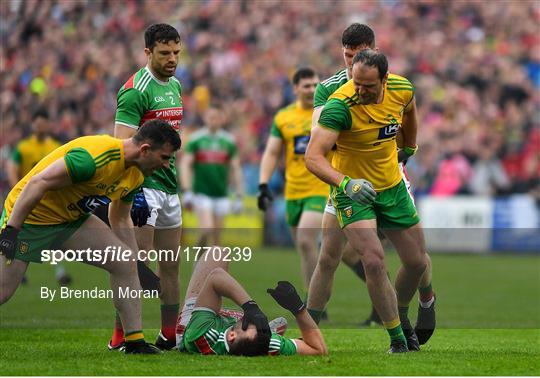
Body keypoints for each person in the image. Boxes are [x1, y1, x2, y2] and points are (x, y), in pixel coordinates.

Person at [0, 119, 181, 354]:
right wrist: (11, 231)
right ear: (145, 150)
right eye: (165, 157)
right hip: (31, 220)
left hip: (71, 220)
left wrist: (138, 264)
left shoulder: (136, 175)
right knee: (3, 292)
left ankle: (134, 342)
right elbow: (37, 183)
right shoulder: (93, 158)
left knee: (124, 263)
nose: (167, 165)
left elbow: (120, 218)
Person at [306, 24, 436, 344]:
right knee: (334, 256)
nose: (350, 69)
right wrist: (346, 181)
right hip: (345, 178)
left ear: (373, 51)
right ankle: (311, 329)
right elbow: (319, 145)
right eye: (346, 58)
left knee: (417, 257)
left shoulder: (400, 88)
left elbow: (409, 111)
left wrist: (409, 146)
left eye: (356, 57)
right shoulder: (333, 93)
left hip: (389, 174)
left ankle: (425, 299)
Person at [111, 23, 184, 351]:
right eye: (165, 53)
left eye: (176, 52)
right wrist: (134, 190)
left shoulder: (176, 86)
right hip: (143, 187)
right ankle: (122, 336)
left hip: (169, 187)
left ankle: (169, 335)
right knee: (134, 265)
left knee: (170, 264)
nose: (172, 59)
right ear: (147, 53)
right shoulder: (136, 89)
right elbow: (121, 145)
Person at [175, 248, 327, 356]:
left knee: (217, 252)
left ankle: (168, 336)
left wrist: (251, 307)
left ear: (232, 336)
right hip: (230, 326)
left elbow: (216, 276)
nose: (260, 325)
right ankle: (274, 330)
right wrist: (298, 308)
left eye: (252, 325)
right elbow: (319, 349)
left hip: (189, 326)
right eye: (264, 330)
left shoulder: (202, 334)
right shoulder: (266, 342)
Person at [257, 67, 327, 298]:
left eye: (316, 84)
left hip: (320, 188)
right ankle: (313, 295)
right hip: (293, 191)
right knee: (304, 248)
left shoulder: (327, 112)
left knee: (307, 241)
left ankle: (314, 301)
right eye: (307, 85)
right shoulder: (284, 117)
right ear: (296, 88)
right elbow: (271, 152)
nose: (312, 89)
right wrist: (264, 185)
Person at [7, 108, 72, 286]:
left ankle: (59, 272)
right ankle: (17, 272)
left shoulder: (55, 147)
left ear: (48, 125)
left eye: (43, 123)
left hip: (47, 202)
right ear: (33, 125)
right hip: (24, 198)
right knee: (14, 235)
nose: (40, 127)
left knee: (49, 236)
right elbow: (12, 168)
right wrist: (18, 190)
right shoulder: (23, 147)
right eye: (37, 124)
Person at [181, 106, 244, 246]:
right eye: (210, 117)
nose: (213, 120)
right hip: (202, 192)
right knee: (207, 229)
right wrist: (187, 190)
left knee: (217, 239)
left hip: (221, 193)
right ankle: (198, 260)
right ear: (205, 118)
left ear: (222, 119)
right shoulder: (196, 139)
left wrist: (239, 195)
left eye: (216, 117)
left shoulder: (229, 141)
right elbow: (185, 164)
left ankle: (210, 267)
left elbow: (236, 168)